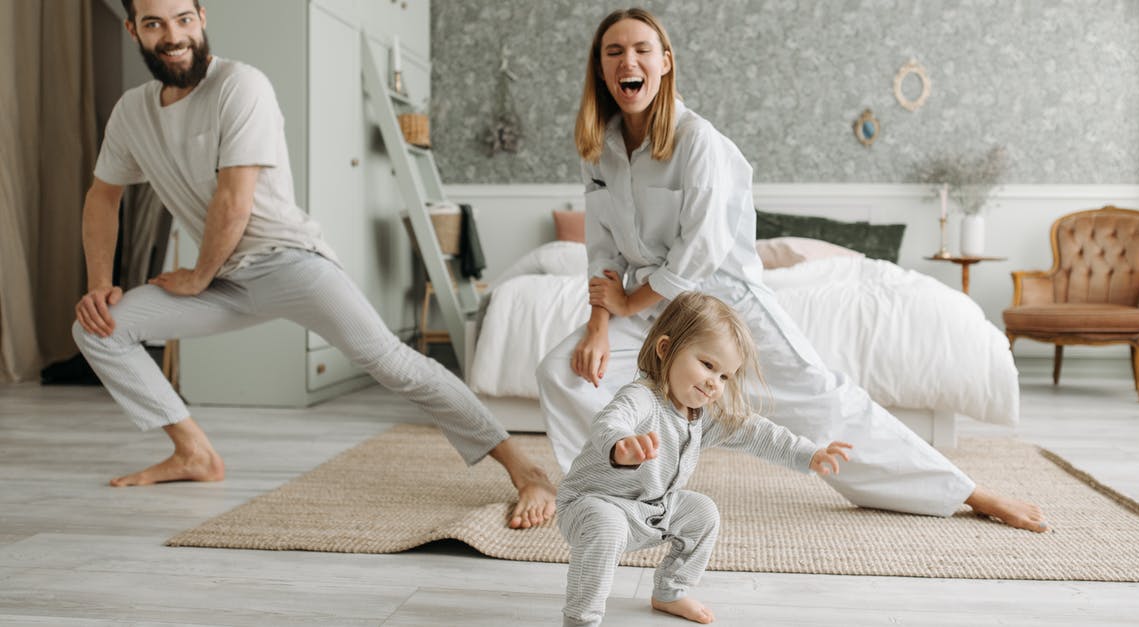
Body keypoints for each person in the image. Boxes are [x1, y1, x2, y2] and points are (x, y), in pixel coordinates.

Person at [537, 7, 1048, 533]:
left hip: (722, 300)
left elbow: (700, 251)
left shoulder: (699, 142)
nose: (629, 61)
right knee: (566, 373)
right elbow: (602, 249)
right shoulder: (599, 148)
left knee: (821, 398)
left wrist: (629, 301)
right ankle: (615, 494)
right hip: (645, 307)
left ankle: (965, 491)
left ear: (665, 62)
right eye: (614, 52)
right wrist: (602, 322)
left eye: (642, 49)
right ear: (601, 70)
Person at [72, 0, 555, 529]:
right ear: (133, 31)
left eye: (183, 18)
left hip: (289, 263)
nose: (173, 34)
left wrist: (196, 276)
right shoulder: (132, 112)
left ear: (202, 17)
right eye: (154, 23)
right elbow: (102, 197)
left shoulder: (240, 85)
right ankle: (193, 453)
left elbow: (234, 200)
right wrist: (100, 284)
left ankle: (526, 470)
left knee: (396, 365)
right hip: (223, 280)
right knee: (99, 329)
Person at [557, 292, 851, 626]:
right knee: (606, 526)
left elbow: (756, 432)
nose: (715, 382)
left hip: (653, 509)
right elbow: (609, 421)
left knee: (702, 512)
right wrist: (620, 445)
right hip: (592, 504)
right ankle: (582, 618)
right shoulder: (642, 397)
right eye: (708, 365)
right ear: (665, 349)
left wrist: (807, 453)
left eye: (725, 376)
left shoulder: (702, 415)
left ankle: (670, 591)